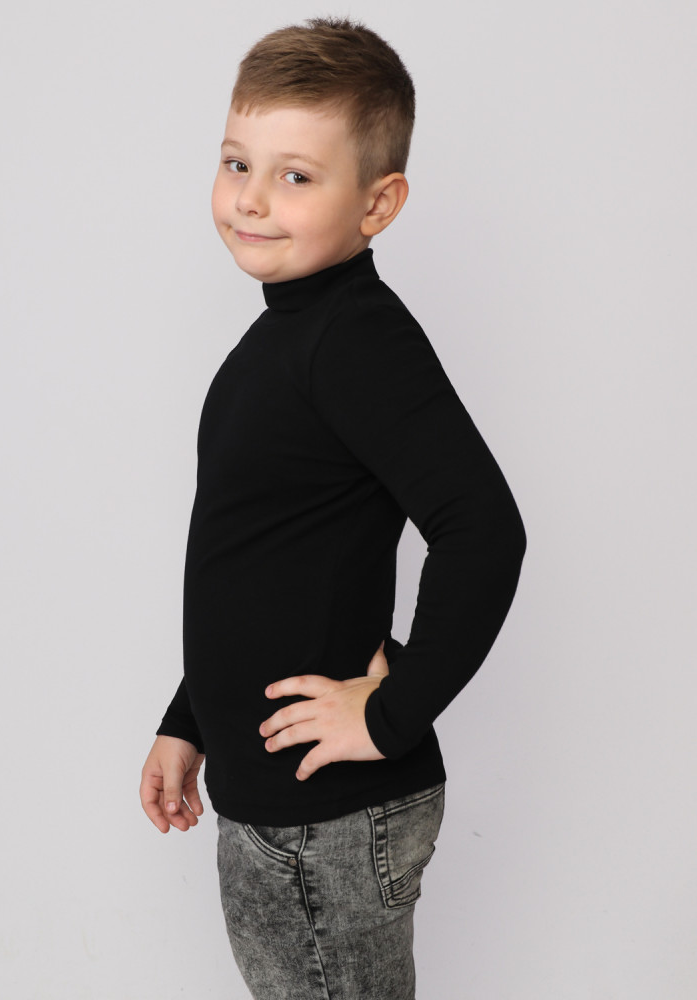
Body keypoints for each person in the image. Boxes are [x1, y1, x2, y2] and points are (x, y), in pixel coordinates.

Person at [139, 17, 526, 1000]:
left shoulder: (355, 341)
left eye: (297, 176)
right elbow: (259, 564)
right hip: (284, 810)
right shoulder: (286, 339)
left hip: (327, 824)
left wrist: (392, 714)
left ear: (378, 203)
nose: (251, 199)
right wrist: (190, 718)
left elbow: (483, 528)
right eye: (238, 163)